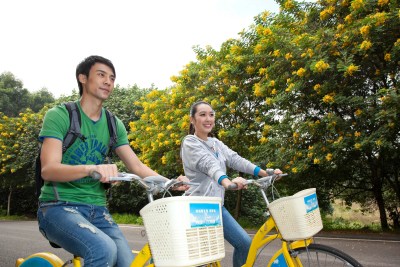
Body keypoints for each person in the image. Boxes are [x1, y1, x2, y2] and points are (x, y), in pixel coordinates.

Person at [37, 55, 187, 267]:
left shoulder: (113, 124)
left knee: (127, 263)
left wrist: (169, 182)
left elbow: (136, 166)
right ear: (82, 78)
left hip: (97, 210)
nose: (108, 81)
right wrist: (92, 169)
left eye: (112, 78)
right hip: (58, 208)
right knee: (102, 249)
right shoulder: (60, 115)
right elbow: (49, 170)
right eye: (101, 75)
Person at [180, 100, 282, 267]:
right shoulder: (190, 142)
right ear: (192, 120)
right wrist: (227, 182)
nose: (208, 119)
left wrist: (265, 173)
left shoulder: (215, 143)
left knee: (245, 244)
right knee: (201, 259)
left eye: (211, 115)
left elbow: (235, 159)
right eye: (202, 115)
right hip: (196, 209)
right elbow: (209, 165)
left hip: (216, 207)